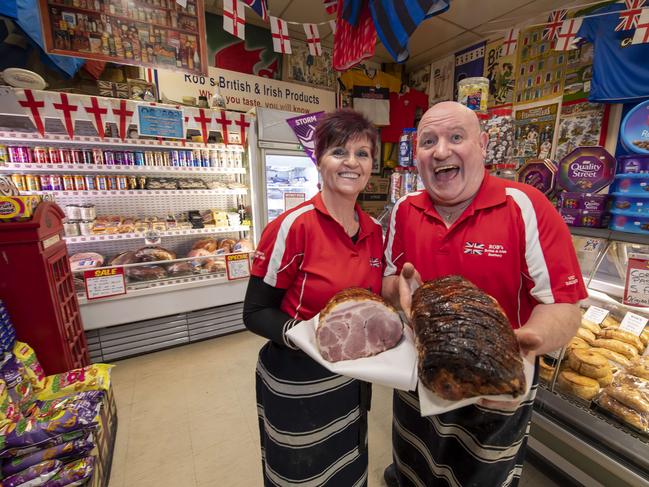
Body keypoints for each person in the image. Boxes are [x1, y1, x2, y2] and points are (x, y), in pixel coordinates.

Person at [382, 101, 587, 487]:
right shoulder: (403, 210)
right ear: (418, 155)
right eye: (428, 141)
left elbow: (564, 303)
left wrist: (529, 345)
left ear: (483, 144)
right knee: (412, 467)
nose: (441, 151)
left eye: (456, 137)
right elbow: (389, 281)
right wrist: (399, 290)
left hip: (495, 388)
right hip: (417, 375)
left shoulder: (526, 205)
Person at [243, 109, 384, 486]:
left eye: (363, 153)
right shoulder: (293, 226)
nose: (351, 162)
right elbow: (255, 312)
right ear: (319, 160)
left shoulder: (374, 232)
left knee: (348, 469)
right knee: (301, 474)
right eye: (339, 152)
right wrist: (306, 336)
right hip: (297, 380)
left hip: (353, 380)